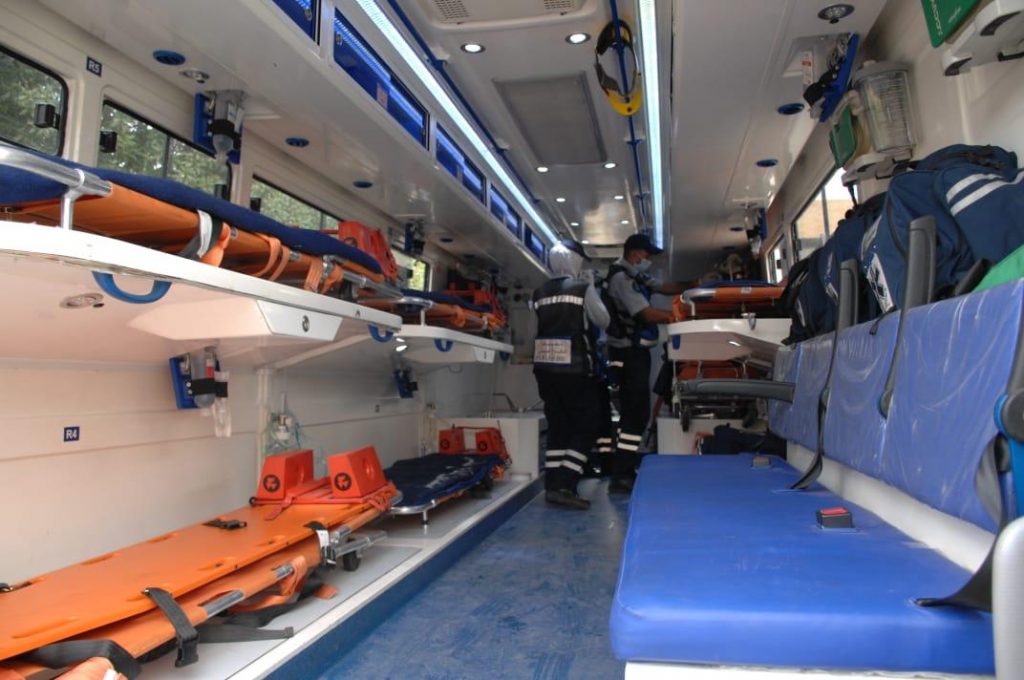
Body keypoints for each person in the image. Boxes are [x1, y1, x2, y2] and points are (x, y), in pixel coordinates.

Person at [603, 233, 684, 493]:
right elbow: (645, 313)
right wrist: (679, 316)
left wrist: (695, 285)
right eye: (646, 256)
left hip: (635, 353)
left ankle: (625, 471)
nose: (648, 260)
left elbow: (663, 287)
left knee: (637, 413)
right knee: (634, 413)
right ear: (634, 254)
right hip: (625, 355)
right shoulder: (621, 279)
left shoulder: (635, 276)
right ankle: (621, 475)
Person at [532, 239, 610, 509]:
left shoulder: (538, 293)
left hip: (545, 371)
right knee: (587, 426)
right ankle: (566, 482)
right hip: (575, 369)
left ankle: (553, 486)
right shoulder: (581, 289)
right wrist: (593, 289)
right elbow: (603, 320)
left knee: (559, 427)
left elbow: (538, 328)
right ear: (575, 260)